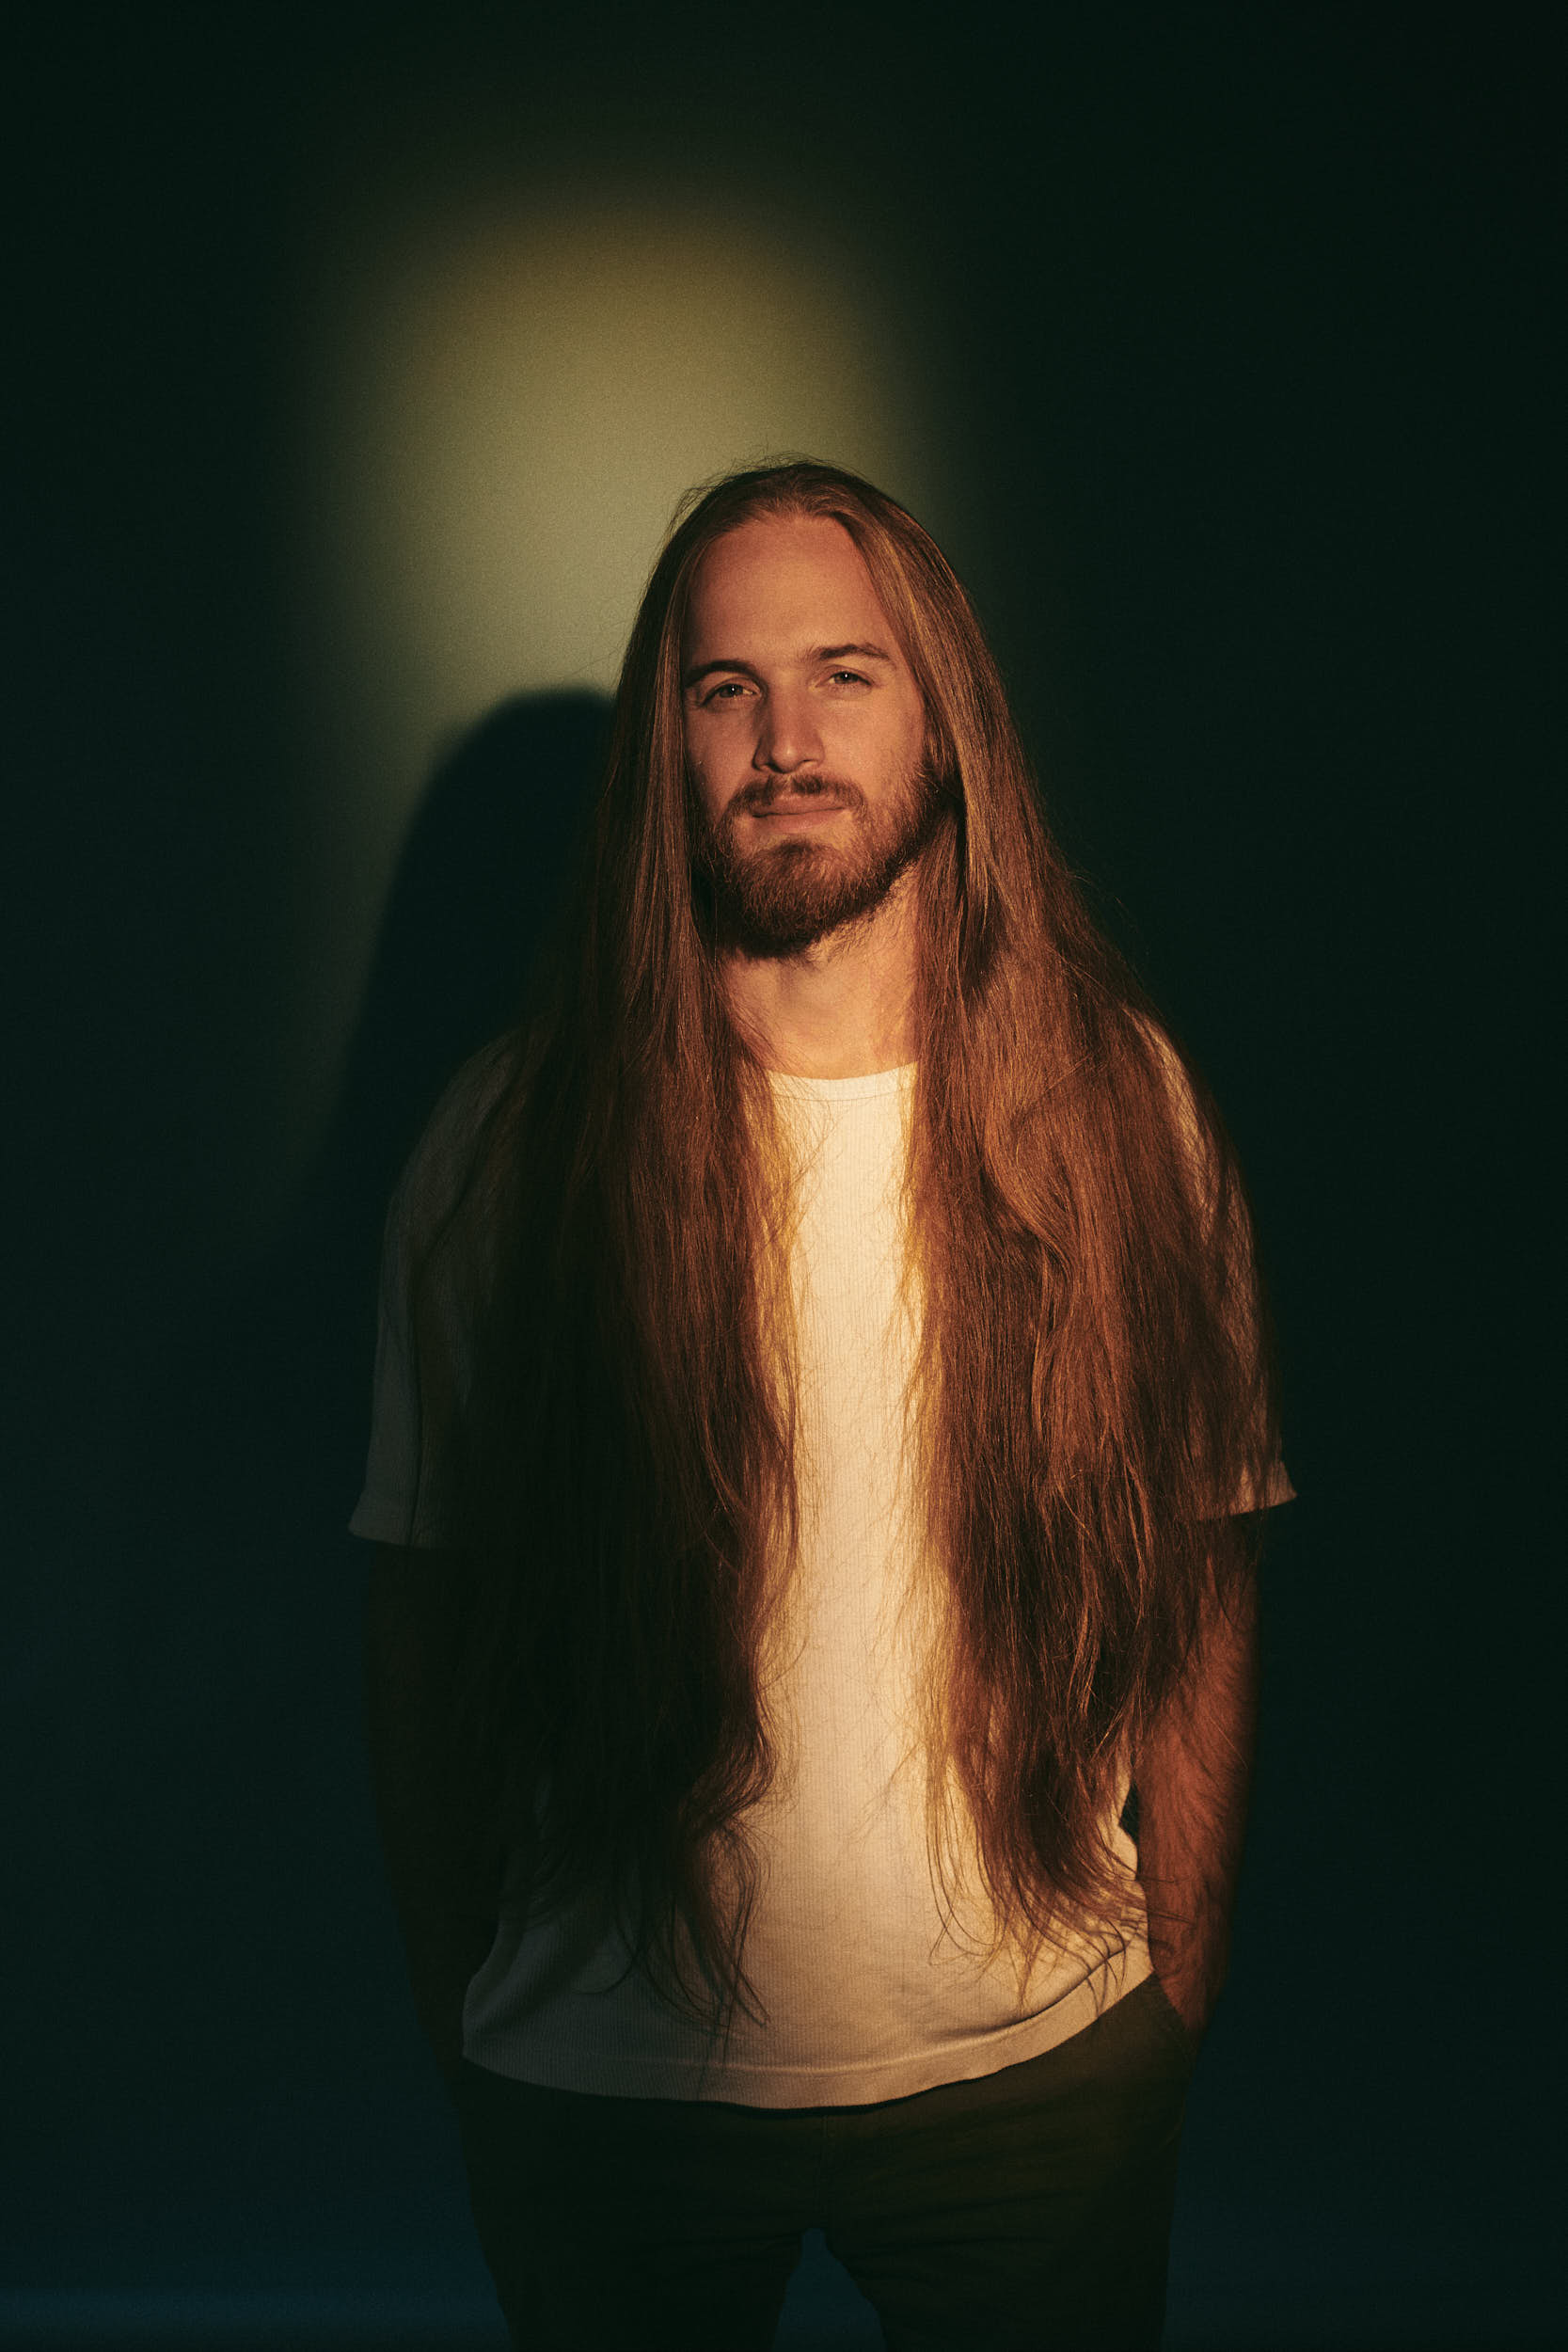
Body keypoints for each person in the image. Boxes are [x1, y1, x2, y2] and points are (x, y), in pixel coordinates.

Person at [353, 460, 1291, 2351]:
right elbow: (423, 1632)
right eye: (725, 688)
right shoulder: (511, 1146)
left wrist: (1169, 1988)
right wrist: (474, 2015)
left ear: (947, 716)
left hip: (1035, 2079)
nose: (785, 737)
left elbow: (1206, 1567)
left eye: (846, 673)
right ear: (668, 747)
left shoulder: (1125, 1112)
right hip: (608, 2098)